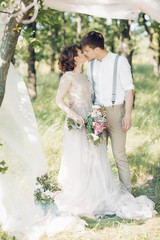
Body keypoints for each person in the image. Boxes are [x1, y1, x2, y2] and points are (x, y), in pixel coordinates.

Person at [55, 44, 156, 220]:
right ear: (75, 57)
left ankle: (98, 194)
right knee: (82, 158)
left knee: (95, 155)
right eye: (81, 52)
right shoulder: (68, 77)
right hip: (78, 121)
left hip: (92, 118)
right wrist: (74, 115)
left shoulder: (83, 75)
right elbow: (59, 101)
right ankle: (84, 198)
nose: (84, 54)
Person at [80, 31, 134, 192]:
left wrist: (128, 114)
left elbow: (129, 89)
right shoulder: (91, 65)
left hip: (116, 112)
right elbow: (90, 90)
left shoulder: (119, 61)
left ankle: (127, 194)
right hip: (97, 112)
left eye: (86, 51)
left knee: (119, 155)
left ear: (95, 48)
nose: (85, 54)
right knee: (98, 156)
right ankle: (103, 194)